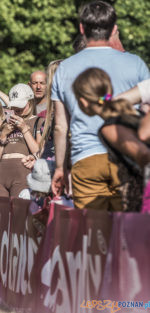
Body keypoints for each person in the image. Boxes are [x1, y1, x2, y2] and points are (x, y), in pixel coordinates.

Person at [51, 1, 150, 211]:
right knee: (127, 233)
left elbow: (60, 126)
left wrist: (60, 167)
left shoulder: (64, 69)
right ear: (114, 29)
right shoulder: (135, 63)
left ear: (81, 28)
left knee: (93, 236)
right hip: (126, 156)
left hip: (85, 160)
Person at [72, 67, 150, 211]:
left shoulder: (110, 128)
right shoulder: (132, 113)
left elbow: (144, 154)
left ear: (83, 102)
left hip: (143, 200)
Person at [0, 84, 43, 198]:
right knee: (1, 214)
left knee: (19, 213)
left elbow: (38, 153)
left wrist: (24, 129)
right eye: (14, 107)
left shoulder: (38, 121)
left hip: (22, 172)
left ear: (30, 102)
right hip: (1, 174)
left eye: (20, 107)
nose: (17, 110)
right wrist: (3, 134)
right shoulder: (5, 123)